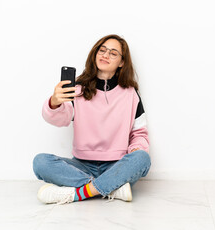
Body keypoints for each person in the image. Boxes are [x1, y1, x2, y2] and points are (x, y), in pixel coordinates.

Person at [33, 34, 151, 205]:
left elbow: (139, 133)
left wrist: (136, 149)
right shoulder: (77, 90)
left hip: (116, 166)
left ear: (122, 62)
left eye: (113, 53)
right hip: (81, 166)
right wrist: (55, 102)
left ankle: (77, 193)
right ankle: (111, 188)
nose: (105, 55)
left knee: (142, 158)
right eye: (102, 50)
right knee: (40, 162)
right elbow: (60, 119)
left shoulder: (130, 94)